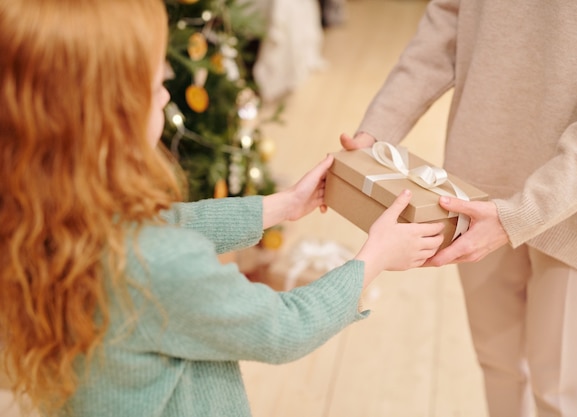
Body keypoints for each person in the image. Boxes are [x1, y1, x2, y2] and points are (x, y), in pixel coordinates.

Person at [0, 0, 447, 416]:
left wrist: (282, 206)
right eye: (156, 86)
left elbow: (168, 224)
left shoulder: (39, 216)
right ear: (109, 118)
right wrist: (373, 259)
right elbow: (283, 328)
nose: (165, 97)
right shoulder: (156, 267)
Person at [340, 1, 577, 416]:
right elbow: (449, 15)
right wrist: (378, 130)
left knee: (562, 395)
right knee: (499, 366)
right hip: (474, 185)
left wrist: (525, 213)